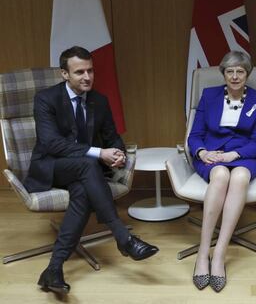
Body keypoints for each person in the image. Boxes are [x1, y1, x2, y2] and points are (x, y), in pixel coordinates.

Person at [24, 46, 159, 294]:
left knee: (83, 192)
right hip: (52, 166)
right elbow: (50, 143)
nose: (87, 77)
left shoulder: (99, 100)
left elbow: (113, 138)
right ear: (64, 74)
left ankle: (53, 269)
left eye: (90, 70)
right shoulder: (46, 99)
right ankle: (123, 238)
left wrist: (117, 154)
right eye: (79, 72)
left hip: (83, 174)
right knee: (88, 164)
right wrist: (99, 154)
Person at [188, 51, 256, 292]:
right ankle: (203, 254)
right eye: (230, 71)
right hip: (211, 154)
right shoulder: (209, 95)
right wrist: (202, 153)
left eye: (240, 71)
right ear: (223, 74)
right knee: (221, 175)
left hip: (244, 155)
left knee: (240, 176)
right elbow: (195, 135)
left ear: (247, 74)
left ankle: (220, 255)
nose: (235, 76)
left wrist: (235, 155)